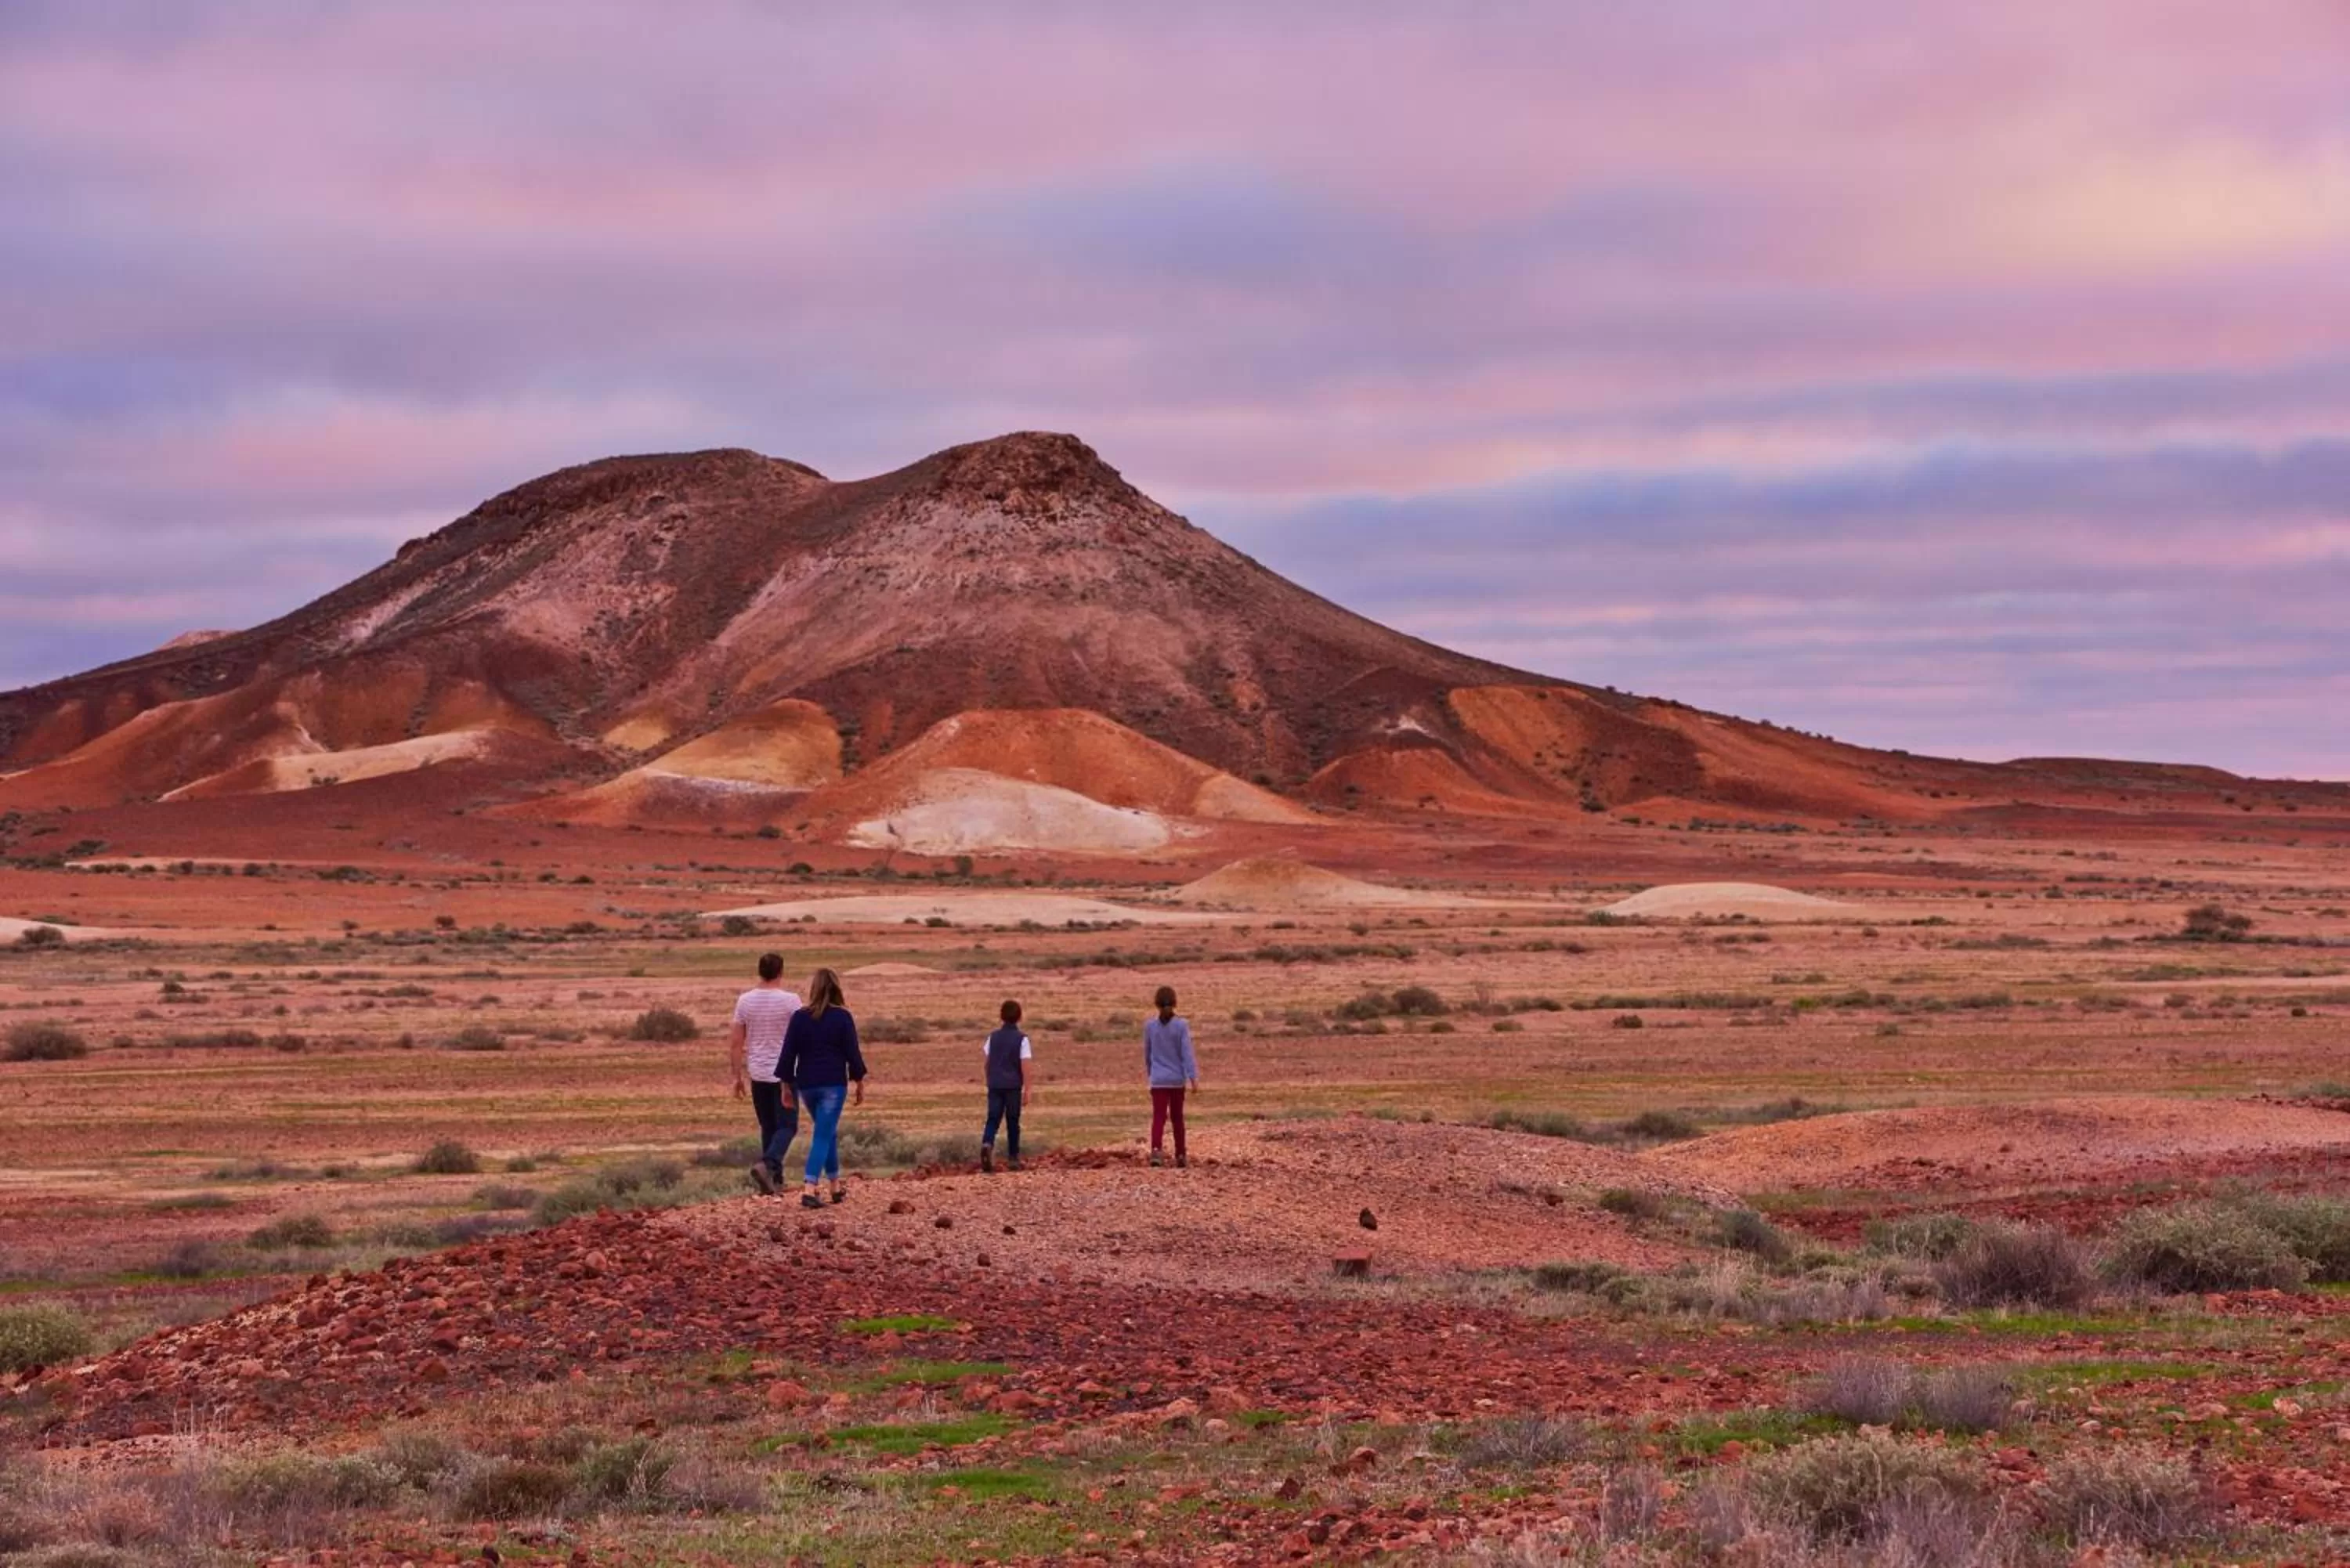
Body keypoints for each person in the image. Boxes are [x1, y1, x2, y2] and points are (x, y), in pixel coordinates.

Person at [779, 966, 866, 1209]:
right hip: (833, 1085)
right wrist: (859, 1081)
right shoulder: (842, 1017)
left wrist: (786, 1086)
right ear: (836, 988)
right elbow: (852, 1053)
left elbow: (788, 1055)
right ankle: (809, 1187)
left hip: (806, 1084)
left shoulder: (799, 1017)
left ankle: (836, 1186)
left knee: (826, 1132)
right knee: (823, 1134)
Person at [728, 952, 802, 1196]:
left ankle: (774, 1182)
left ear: (759, 971)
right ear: (781, 972)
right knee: (788, 1126)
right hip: (785, 1073)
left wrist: (736, 1076)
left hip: (757, 1072)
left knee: (768, 1126)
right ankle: (768, 1165)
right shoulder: (791, 1001)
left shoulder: (745, 1001)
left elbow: (736, 1043)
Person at [1143, 984, 1199, 1168]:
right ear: (1175, 1003)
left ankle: (1156, 1151)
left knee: (1158, 1117)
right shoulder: (1181, 1026)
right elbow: (1186, 1053)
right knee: (1177, 1118)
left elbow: (1148, 1054)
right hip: (1176, 1080)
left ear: (1156, 1004)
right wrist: (1193, 1077)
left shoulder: (1150, 1026)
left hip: (1158, 1080)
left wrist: (1151, 1074)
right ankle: (1181, 1154)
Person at [980, 999, 1031, 1173]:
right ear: (1019, 1017)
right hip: (1013, 1085)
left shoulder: (992, 1037)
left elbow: (986, 1062)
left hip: (995, 1084)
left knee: (993, 1118)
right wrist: (1028, 1090)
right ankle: (1013, 1158)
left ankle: (987, 1143)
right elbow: (1025, 1066)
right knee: (1012, 1121)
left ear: (1001, 1017)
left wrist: (990, 1079)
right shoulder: (1022, 1039)